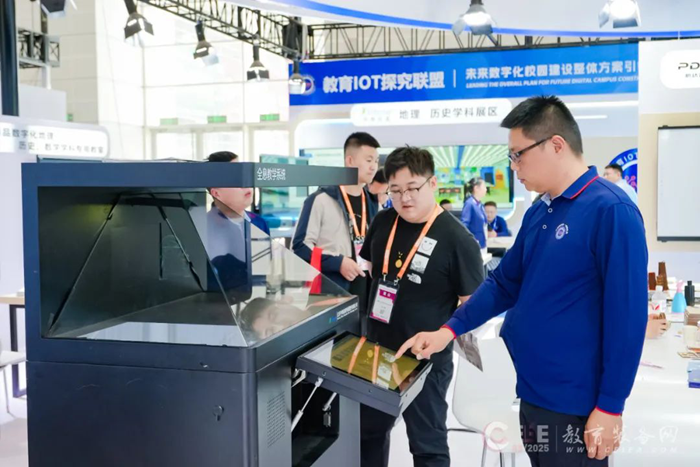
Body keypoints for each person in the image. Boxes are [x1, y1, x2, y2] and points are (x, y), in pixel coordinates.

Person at [396, 96, 648, 467]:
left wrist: (611, 406)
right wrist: (447, 331)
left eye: (518, 156)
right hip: (532, 393)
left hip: (576, 405)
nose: (513, 167)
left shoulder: (611, 211)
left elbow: (627, 319)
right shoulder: (540, 211)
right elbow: (504, 283)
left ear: (556, 145)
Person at [358, 146, 484, 467]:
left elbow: (473, 308)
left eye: (412, 188)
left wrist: (443, 335)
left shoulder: (458, 239)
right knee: (367, 434)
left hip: (424, 361)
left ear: (433, 184)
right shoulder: (383, 221)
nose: (404, 198)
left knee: (427, 445)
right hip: (378, 353)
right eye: (395, 190)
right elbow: (372, 273)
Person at [292, 132, 380, 303]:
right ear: (350, 161)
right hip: (331, 293)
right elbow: (300, 247)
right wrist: (337, 262)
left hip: (366, 294)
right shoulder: (321, 199)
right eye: (369, 160)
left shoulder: (372, 203)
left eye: (376, 161)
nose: (373, 167)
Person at [207, 151, 270, 235]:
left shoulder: (259, 223)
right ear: (216, 193)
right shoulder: (203, 228)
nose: (245, 184)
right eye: (235, 179)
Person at [460, 177, 488, 248]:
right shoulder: (469, 204)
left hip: (482, 243)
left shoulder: (479, 204)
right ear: (476, 188)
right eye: (484, 186)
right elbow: (464, 225)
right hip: (473, 244)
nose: (486, 189)